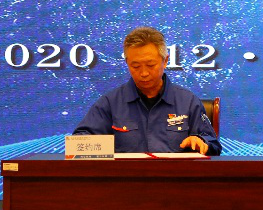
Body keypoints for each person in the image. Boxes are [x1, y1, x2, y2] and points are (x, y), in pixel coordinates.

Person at [72, 26, 221, 155]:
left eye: (150, 65)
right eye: (135, 66)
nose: (143, 73)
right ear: (127, 63)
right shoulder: (110, 103)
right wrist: (106, 148)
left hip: (174, 178)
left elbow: (214, 145)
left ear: (165, 61)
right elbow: (78, 144)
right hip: (126, 177)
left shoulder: (188, 102)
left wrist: (201, 141)